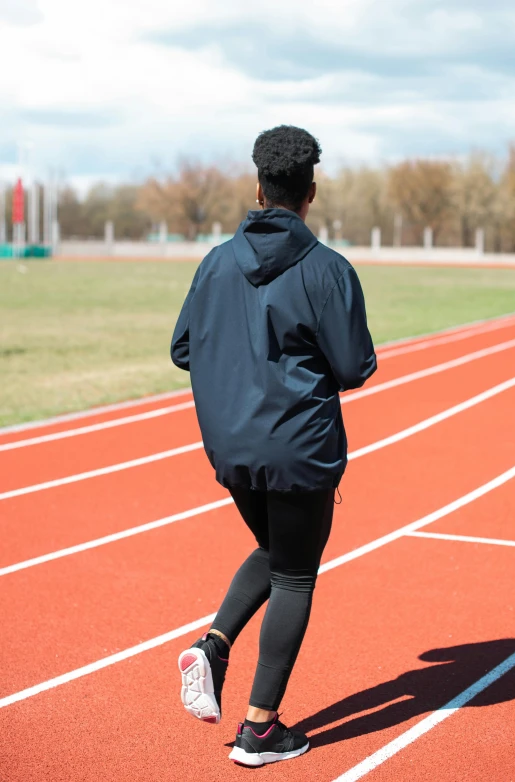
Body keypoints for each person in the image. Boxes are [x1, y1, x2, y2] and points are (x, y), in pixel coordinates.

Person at [171, 125, 377, 767]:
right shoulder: (328, 269)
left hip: (229, 448)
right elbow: (352, 367)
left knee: (275, 549)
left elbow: (182, 350)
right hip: (298, 448)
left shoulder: (213, 262)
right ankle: (260, 730)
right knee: (294, 570)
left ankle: (213, 646)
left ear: (257, 188)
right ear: (310, 191)